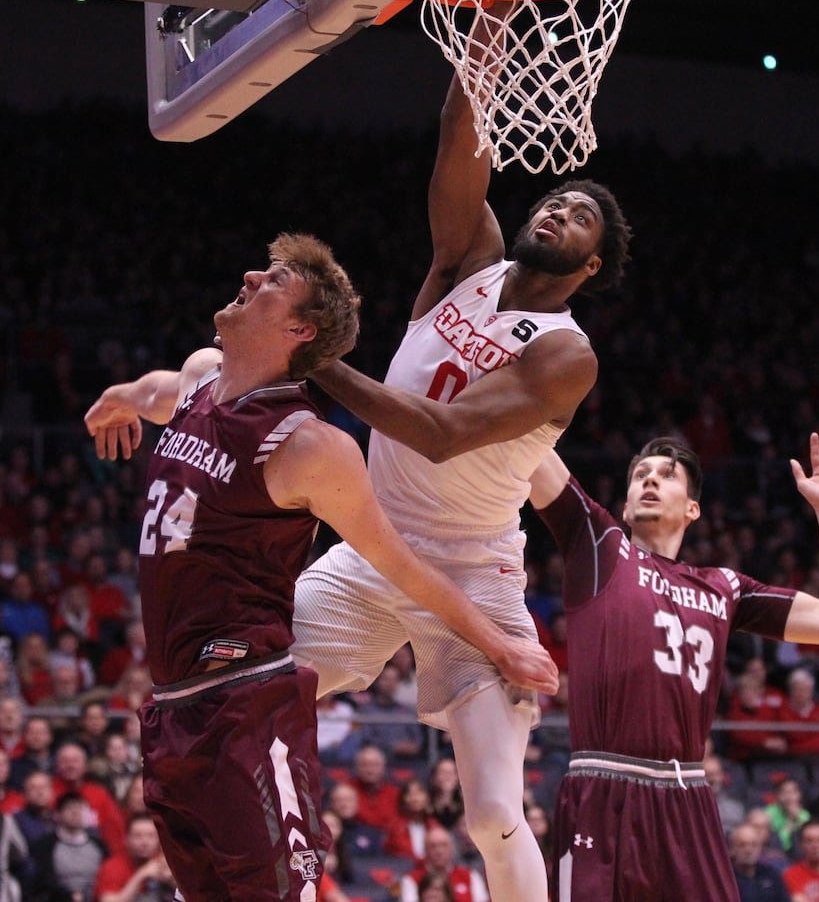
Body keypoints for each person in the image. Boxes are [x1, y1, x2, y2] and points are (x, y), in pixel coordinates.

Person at [292, 0, 630, 902]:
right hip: (370, 547)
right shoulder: (463, 262)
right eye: (557, 199)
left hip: (473, 572)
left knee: (489, 811)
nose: (559, 211)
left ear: (591, 266)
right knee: (252, 691)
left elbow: (436, 432)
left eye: (580, 220)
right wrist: (496, 14)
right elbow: (459, 143)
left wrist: (320, 363)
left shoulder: (565, 350)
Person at [82, 232, 558, 902]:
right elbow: (161, 392)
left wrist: (500, 643)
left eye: (273, 280)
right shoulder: (200, 382)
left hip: (247, 708)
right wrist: (123, 394)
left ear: (300, 329)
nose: (250, 275)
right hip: (170, 716)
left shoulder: (309, 445)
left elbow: (400, 565)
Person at [526, 431, 819, 901]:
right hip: (602, 789)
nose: (650, 480)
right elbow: (527, 447)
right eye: (640, 475)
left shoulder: (723, 587)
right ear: (625, 508)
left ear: (692, 509)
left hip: (686, 796)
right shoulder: (601, 545)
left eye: (667, 476)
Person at [94, 812, 176, 902]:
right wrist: (141, 875)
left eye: (151, 836)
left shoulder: (164, 862)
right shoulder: (112, 867)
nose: (145, 842)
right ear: (126, 839)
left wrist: (172, 880)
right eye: (138, 836)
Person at [399, 826, 489, 902]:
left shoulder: (470, 876)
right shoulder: (412, 879)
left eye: (443, 845)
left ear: (452, 849)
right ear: (425, 850)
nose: (439, 851)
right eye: (433, 846)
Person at [731, 822, 792, 902]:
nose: (748, 850)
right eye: (742, 845)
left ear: (760, 847)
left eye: (754, 845)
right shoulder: (727, 878)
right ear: (732, 848)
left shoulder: (772, 875)